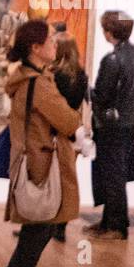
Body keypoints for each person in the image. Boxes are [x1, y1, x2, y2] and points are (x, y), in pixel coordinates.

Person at [0, 20, 94, 267]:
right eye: (50, 41)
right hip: (41, 160)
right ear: (36, 48)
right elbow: (62, 116)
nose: (55, 44)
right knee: (41, 225)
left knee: (36, 224)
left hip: (38, 156)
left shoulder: (35, 76)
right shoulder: (37, 82)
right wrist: (81, 135)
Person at [87, 11, 134, 240]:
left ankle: (116, 226)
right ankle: (110, 221)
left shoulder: (113, 59)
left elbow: (102, 95)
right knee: (116, 172)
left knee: (113, 174)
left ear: (108, 32)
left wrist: (83, 90)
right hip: (132, 122)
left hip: (113, 125)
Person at [48, 33, 89, 242]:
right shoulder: (81, 75)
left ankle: (40, 226)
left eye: (54, 44)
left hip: (54, 131)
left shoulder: (54, 75)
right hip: (72, 130)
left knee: (47, 179)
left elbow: (53, 106)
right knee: (66, 179)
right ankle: (60, 226)